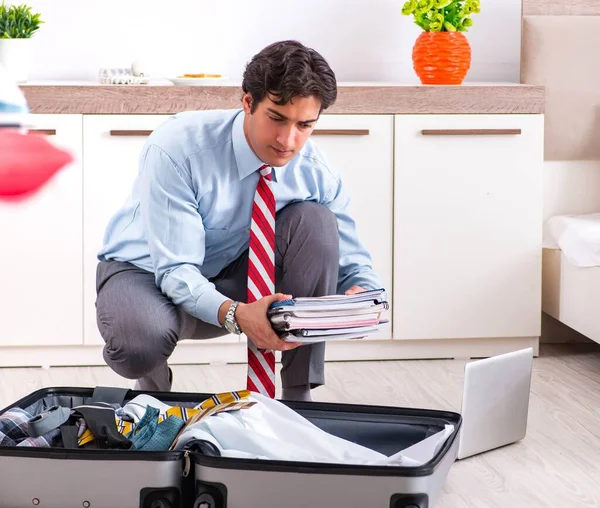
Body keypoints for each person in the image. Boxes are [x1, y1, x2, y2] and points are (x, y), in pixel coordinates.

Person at [95, 40, 382, 401]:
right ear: (248, 102)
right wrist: (236, 314)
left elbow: (354, 264)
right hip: (147, 273)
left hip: (236, 275)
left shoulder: (316, 172)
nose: (287, 140)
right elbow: (175, 269)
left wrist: (366, 298)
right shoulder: (178, 148)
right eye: (276, 118)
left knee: (317, 221)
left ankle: (298, 396)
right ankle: (153, 386)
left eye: (304, 125)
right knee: (137, 344)